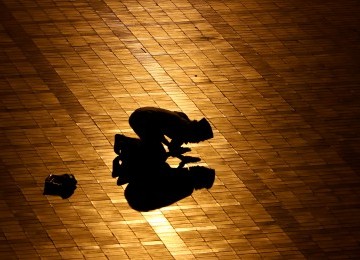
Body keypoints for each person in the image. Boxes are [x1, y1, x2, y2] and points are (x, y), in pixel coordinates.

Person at [127, 107, 213, 157]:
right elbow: (171, 148)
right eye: (199, 139)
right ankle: (124, 142)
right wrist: (180, 154)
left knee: (152, 146)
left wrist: (180, 155)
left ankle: (125, 143)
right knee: (156, 152)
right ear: (196, 134)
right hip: (141, 120)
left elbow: (168, 144)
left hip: (141, 114)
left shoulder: (184, 120)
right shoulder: (183, 131)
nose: (197, 142)